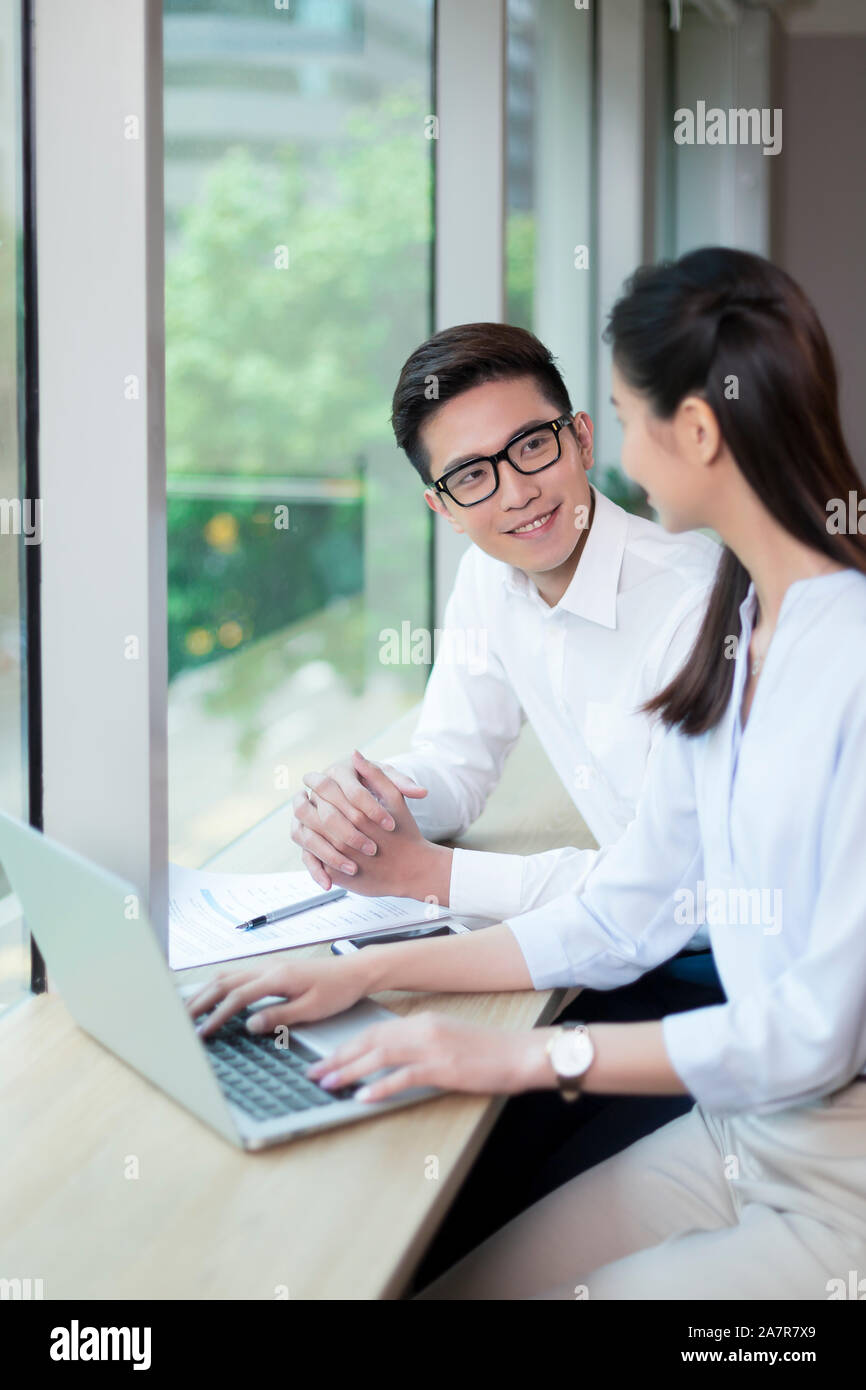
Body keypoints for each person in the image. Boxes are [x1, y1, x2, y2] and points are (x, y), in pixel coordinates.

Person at [189, 245, 866, 1299]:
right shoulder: (742, 629)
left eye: (614, 417)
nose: (615, 463)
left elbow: (807, 1036)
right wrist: (362, 975)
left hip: (840, 1175)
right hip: (742, 1129)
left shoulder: (836, 655)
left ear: (689, 431)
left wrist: (519, 1058)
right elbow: (622, 912)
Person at [283, 323, 724, 1258]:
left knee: (477, 1219)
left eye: (531, 446)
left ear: (580, 440)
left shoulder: (693, 610)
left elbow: (669, 897)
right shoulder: (493, 578)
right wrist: (371, 804)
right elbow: (453, 764)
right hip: (622, 964)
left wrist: (426, 877)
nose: (517, 492)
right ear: (442, 506)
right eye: (472, 474)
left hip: (726, 991)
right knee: (415, 1176)